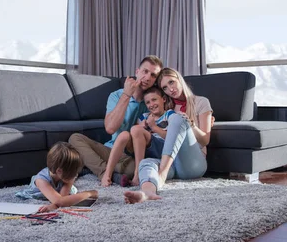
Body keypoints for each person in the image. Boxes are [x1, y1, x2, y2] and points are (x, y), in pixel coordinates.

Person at [69, 55, 163, 187]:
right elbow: (110, 128)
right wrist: (127, 94)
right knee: (74, 138)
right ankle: (106, 173)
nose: (147, 77)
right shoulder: (117, 95)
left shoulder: (153, 102)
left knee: (131, 170)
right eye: (145, 71)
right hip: (110, 150)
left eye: (153, 75)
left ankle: (93, 167)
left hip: (131, 158)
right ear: (137, 72)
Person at [124, 68, 213, 204]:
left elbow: (205, 140)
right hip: (172, 163)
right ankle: (147, 192)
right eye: (165, 87)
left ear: (179, 78)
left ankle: (162, 173)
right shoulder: (167, 106)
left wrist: (191, 125)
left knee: (178, 119)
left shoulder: (201, 102)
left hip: (193, 163)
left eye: (172, 82)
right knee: (146, 163)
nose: (170, 89)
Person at [103, 86, 174, 187]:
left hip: (162, 148)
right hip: (146, 149)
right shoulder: (144, 116)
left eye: (154, 100)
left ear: (163, 99)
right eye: (148, 102)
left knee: (135, 129)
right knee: (124, 134)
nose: (151, 104)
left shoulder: (170, 115)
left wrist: (154, 127)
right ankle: (107, 174)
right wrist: (142, 126)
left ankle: (137, 175)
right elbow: (135, 134)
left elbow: (172, 139)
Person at [15, 142, 98, 212]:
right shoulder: (41, 180)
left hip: (59, 184)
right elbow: (60, 201)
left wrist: (55, 204)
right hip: (41, 189)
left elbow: (63, 199)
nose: (75, 175)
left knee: (71, 190)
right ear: (59, 171)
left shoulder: (66, 176)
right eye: (73, 173)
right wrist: (89, 193)